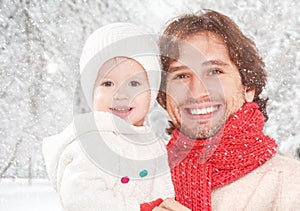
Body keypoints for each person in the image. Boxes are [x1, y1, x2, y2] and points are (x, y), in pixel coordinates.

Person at [155, 9, 300, 211]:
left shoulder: (290, 184)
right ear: (164, 95)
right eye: (181, 76)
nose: (198, 92)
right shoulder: (137, 183)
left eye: (214, 72)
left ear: (248, 87)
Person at [43, 23, 174, 211]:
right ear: (92, 91)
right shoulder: (93, 142)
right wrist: (140, 208)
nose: (121, 94)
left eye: (135, 83)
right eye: (108, 83)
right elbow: (82, 198)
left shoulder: (154, 144)